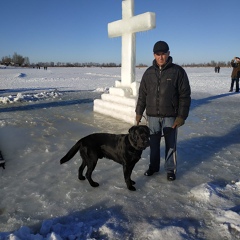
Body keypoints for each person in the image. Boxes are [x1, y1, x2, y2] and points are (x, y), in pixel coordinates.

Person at [135, 40, 191, 181]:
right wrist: (138, 113)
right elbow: (142, 95)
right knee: (153, 144)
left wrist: (181, 116)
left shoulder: (178, 72)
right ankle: (153, 167)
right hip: (152, 116)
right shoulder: (148, 73)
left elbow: (185, 95)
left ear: (168, 54)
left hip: (170, 116)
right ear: (154, 55)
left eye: (163, 54)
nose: (161, 57)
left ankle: (170, 169)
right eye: (158, 54)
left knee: (170, 144)